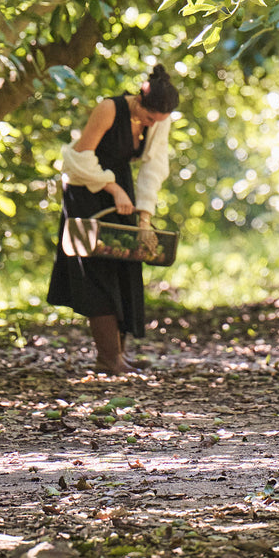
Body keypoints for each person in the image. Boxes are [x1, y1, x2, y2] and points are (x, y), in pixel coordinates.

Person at [47, 64, 180, 374]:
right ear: (139, 101)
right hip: (87, 188)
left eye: (157, 121)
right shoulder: (109, 108)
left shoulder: (160, 120)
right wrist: (115, 188)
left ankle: (118, 355)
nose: (151, 125)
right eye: (148, 118)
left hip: (122, 193)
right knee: (97, 275)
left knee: (124, 266)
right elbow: (78, 157)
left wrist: (144, 216)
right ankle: (108, 358)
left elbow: (154, 166)